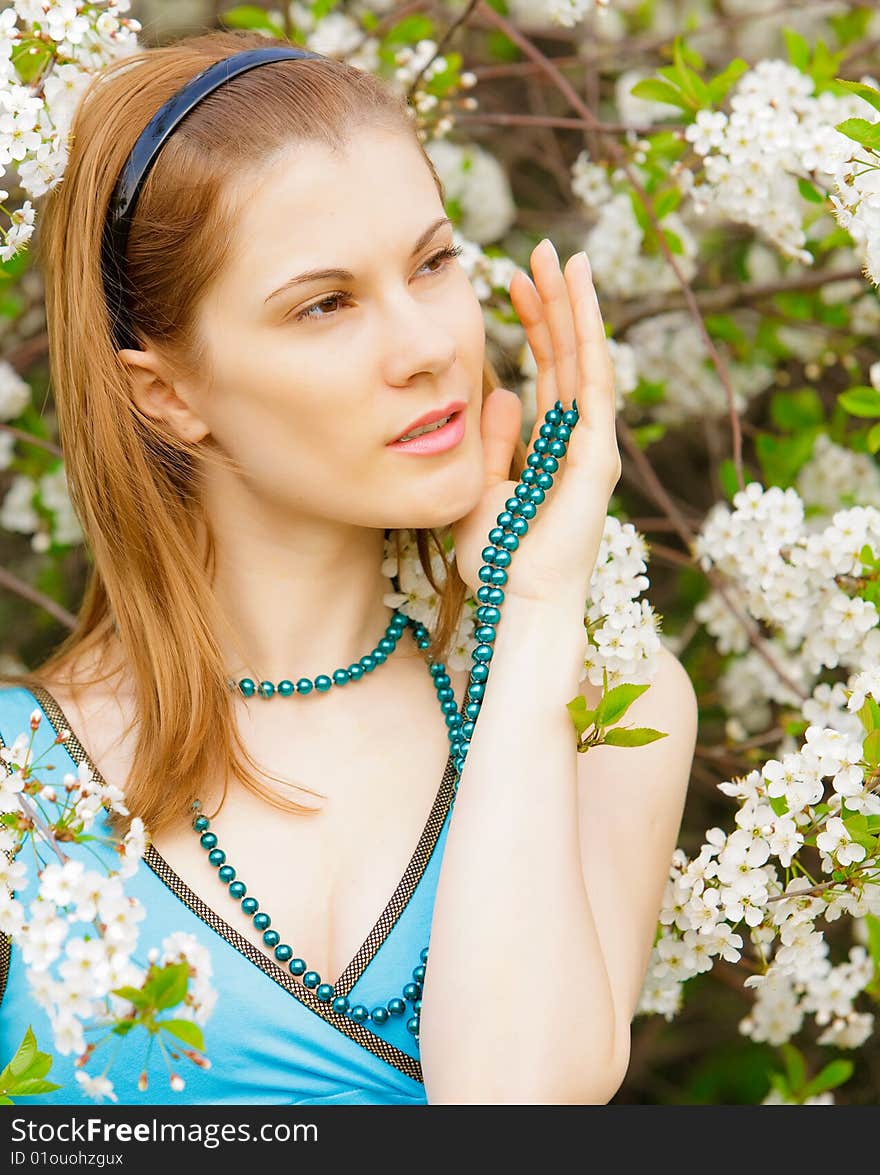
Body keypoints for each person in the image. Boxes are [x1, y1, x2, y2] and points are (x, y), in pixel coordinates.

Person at [0, 28, 698, 1106]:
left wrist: (539, 605)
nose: (426, 344)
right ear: (166, 393)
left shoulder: (608, 709)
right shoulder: (19, 785)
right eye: (325, 304)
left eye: (431, 262)